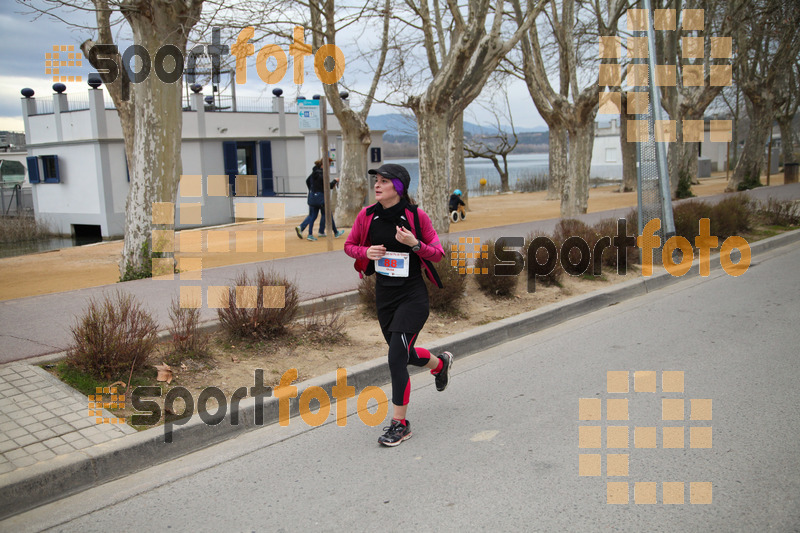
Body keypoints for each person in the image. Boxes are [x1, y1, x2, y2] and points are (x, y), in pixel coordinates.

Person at [344, 163, 453, 447]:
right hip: (385, 295)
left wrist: (415, 243)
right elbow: (349, 245)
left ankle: (400, 424)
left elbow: (437, 254)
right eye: (376, 181)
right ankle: (440, 364)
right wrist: (365, 251)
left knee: (395, 358)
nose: (377, 185)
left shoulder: (416, 216)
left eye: (384, 181)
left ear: (399, 187)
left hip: (412, 296)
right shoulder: (367, 215)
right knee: (401, 353)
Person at [295, 159, 345, 241]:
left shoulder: (313, 173)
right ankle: (329, 232)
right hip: (321, 198)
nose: (329, 165)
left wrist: (312, 190)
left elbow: (307, 181)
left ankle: (310, 232)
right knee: (327, 214)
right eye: (329, 163)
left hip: (312, 197)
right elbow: (328, 185)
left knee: (313, 215)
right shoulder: (322, 174)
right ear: (323, 164)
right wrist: (334, 181)